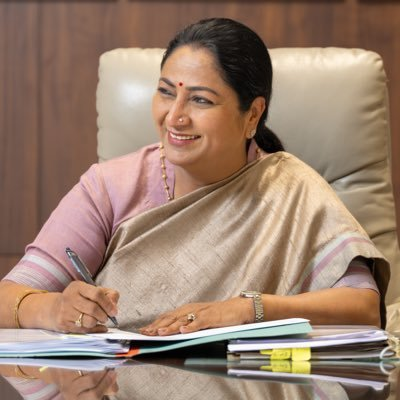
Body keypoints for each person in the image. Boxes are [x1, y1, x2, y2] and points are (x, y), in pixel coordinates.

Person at [0, 18, 389, 335]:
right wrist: (55, 308)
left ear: (252, 115)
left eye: (200, 100)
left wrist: (245, 310)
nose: (175, 117)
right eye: (166, 92)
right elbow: (7, 297)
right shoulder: (109, 186)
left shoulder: (292, 189)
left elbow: (363, 308)